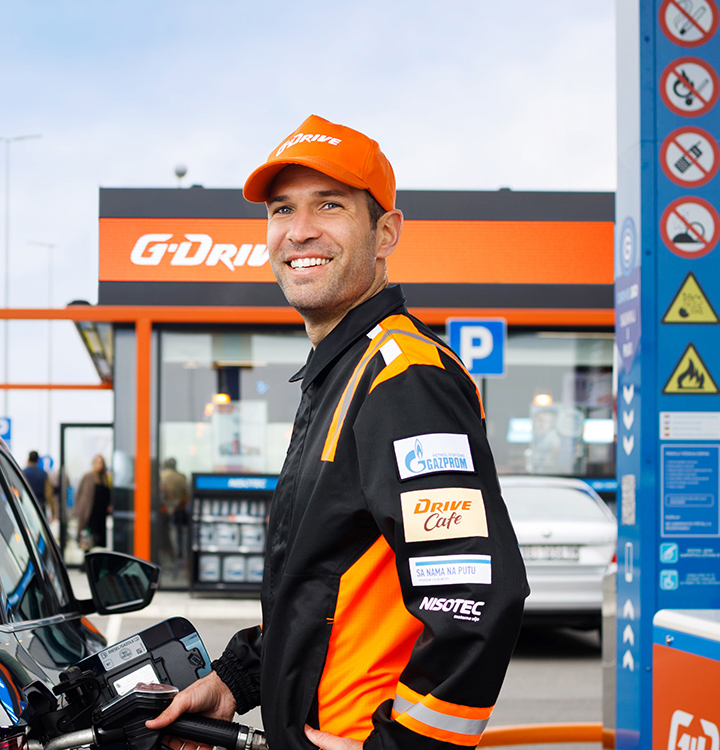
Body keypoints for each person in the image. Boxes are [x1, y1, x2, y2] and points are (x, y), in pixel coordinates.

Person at [148, 115, 526, 750]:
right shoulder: (341, 373)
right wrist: (236, 682)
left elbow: (476, 599)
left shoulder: (403, 379)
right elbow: (329, 586)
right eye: (282, 209)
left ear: (386, 232)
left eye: (329, 205)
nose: (300, 231)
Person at [71, 454, 111, 550]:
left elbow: (108, 496)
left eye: (101, 462)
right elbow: (80, 494)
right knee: (86, 542)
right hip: (89, 514)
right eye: (97, 462)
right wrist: (77, 511)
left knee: (99, 542)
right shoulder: (88, 477)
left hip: (101, 516)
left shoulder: (105, 479)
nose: (99, 465)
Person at [158, 457, 191, 559]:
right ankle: (179, 555)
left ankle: (168, 554)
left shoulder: (161, 476)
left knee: (165, 534)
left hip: (164, 510)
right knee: (179, 534)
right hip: (179, 510)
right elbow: (187, 495)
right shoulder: (181, 477)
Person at [23, 450, 54, 522]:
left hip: (26, 507)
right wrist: (53, 511)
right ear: (38, 460)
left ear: (28, 459)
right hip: (40, 508)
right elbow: (49, 494)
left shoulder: (23, 473)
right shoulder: (43, 474)